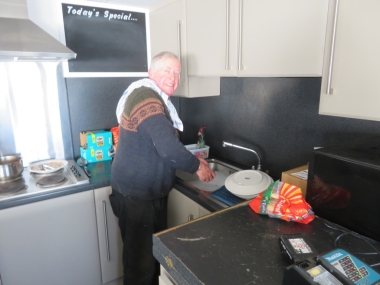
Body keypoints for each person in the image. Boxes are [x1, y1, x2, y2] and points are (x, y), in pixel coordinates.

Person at [109, 51, 216, 285]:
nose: (173, 77)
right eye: (166, 70)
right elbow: (168, 148)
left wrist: (192, 159)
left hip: (144, 194)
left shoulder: (151, 97)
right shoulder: (146, 98)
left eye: (177, 72)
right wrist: (197, 166)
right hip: (137, 197)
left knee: (151, 257)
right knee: (140, 265)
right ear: (150, 73)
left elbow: (162, 144)